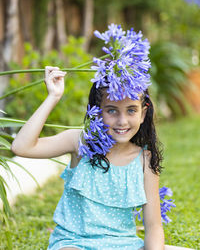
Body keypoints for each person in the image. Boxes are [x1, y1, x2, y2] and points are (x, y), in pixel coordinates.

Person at [11, 66, 193, 250]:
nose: (122, 121)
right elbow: (22, 147)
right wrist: (53, 97)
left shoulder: (145, 159)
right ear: (97, 112)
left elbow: (153, 225)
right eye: (112, 110)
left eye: (131, 110)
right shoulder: (80, 142)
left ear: (143, 114)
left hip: (124, 245)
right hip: (75, 243)